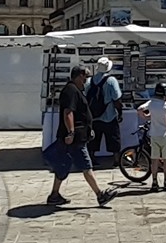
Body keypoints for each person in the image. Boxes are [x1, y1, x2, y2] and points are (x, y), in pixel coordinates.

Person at [43, 66, 114, 207]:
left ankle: (54, 195)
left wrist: (88, 129)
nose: (86, 81)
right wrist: (71, 133)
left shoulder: (74, 90)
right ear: (79, 76)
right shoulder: (71, 91)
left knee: (62, 165)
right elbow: (68, 113)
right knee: (86, 166)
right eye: (85, 77)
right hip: (74, 139)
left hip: (75, 136)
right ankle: (100, 195)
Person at [85, 57, 124, 168]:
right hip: (109, 115)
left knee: (93, 138)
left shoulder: (89, 81)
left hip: (94, 116)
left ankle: (92, 158)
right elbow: (117, 99)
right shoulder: (111, 80)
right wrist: (120, 112)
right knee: (114, 138)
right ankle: (116, 160)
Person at [136, 83, 166, 192]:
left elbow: (139, 109)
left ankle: (154, 182)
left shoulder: (151, 103)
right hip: (165, 135)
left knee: (154, 160)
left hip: (154, 134)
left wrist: (146, 117)